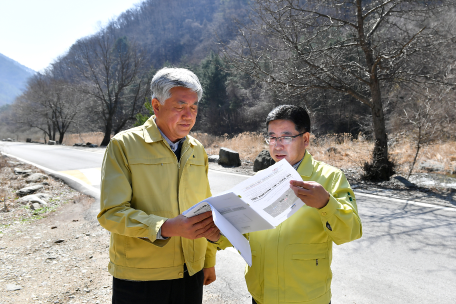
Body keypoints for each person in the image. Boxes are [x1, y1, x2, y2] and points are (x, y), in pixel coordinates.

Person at [209, 105, 363, 304]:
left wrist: (326, 204)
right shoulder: (259, 180)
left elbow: (350, 232)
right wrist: (218, 237)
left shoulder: (329, 178)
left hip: (307, 298)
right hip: (261, 296)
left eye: (286, 137)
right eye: (272, 137)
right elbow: (244, 230)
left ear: (305, 139)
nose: (277, 145)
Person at [97, 67, 220, 304]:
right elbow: (111, 213)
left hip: (190, 273)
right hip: (141, 277)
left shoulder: (197, 150)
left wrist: (208, 261)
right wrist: (166, 227)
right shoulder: (124, 145)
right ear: (156, 105)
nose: (189, 115)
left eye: (193, 107)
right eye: (180, 106)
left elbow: (206, 211)